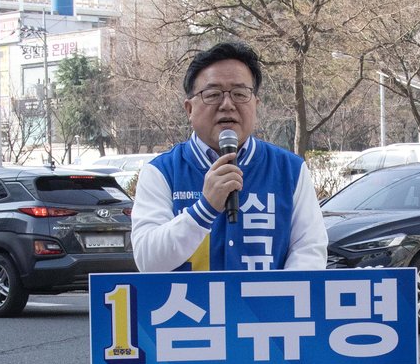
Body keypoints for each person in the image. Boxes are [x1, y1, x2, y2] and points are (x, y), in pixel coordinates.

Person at [131, 41, 327, 272]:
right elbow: (148, 262)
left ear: (256, 104)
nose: (227, 105)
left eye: (240, 94)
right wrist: (205, 209)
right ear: (189, 109)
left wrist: (278, 303)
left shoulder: (290, 170)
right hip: (189, 307)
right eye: (213, 94)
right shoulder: (161, 172)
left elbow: (309, 251)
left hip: (265, 307)